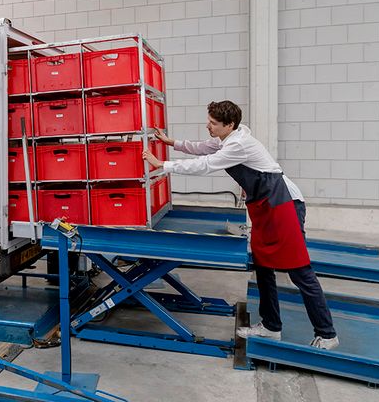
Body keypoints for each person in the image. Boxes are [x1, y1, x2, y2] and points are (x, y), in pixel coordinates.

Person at [142, 100, 339, 350]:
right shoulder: (227, 138)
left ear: (229, 124)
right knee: (264, 265)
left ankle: (327, 333)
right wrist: (172, 143)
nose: (208, 126)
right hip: (266, 207)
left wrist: (164, 165)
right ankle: (270, 326)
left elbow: (206, 164)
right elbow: (203, 148)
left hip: (283, 205)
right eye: (209, 121)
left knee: (300, 270)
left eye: (213, 123)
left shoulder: (238, 144)